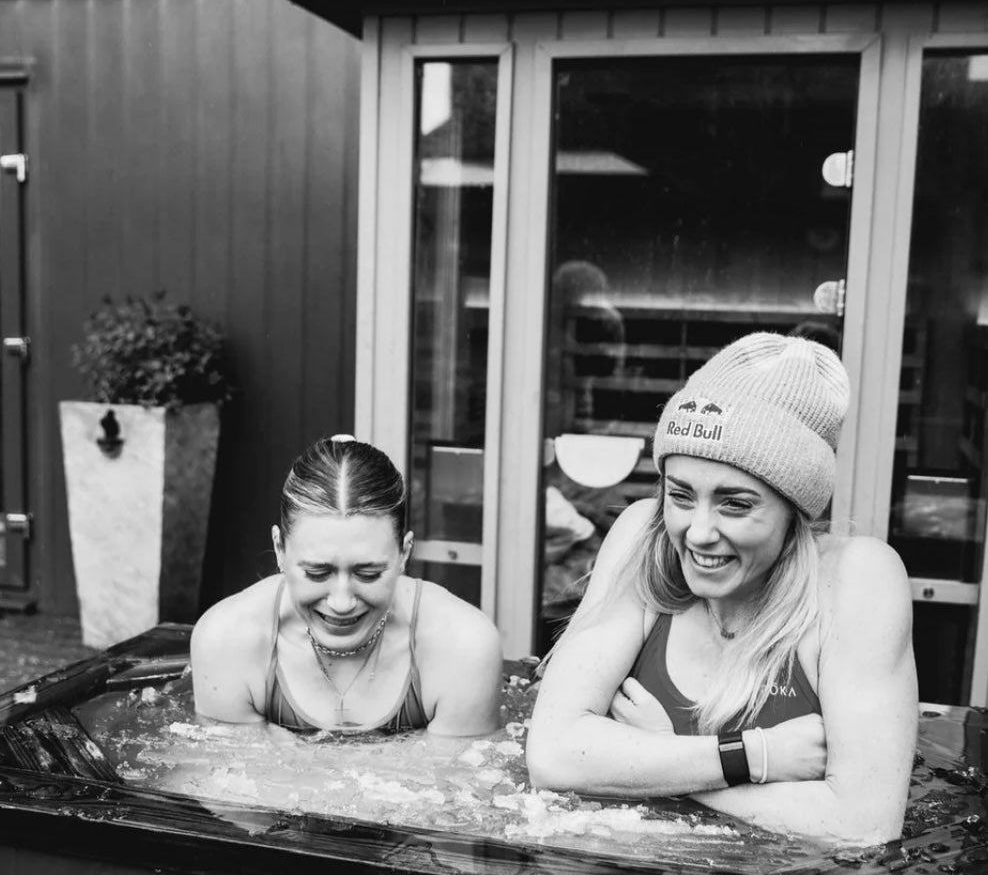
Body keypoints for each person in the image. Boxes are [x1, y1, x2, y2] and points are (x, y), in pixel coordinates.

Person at [526, 332, 918, 846]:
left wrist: (660, 752)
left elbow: (862, 825)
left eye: (735, 504)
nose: (699, 532)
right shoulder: (645, 538)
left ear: (794, 509)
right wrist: (756, 756)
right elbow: (554, 754)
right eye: (681, 495)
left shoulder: (855, 580)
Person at [191, 435, 503, 737]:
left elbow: (458, 784)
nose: (341, 602)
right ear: (280, 549)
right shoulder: (227, 640)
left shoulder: (462, 646)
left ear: (404, 553)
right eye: (317, 572)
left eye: (367, 573)